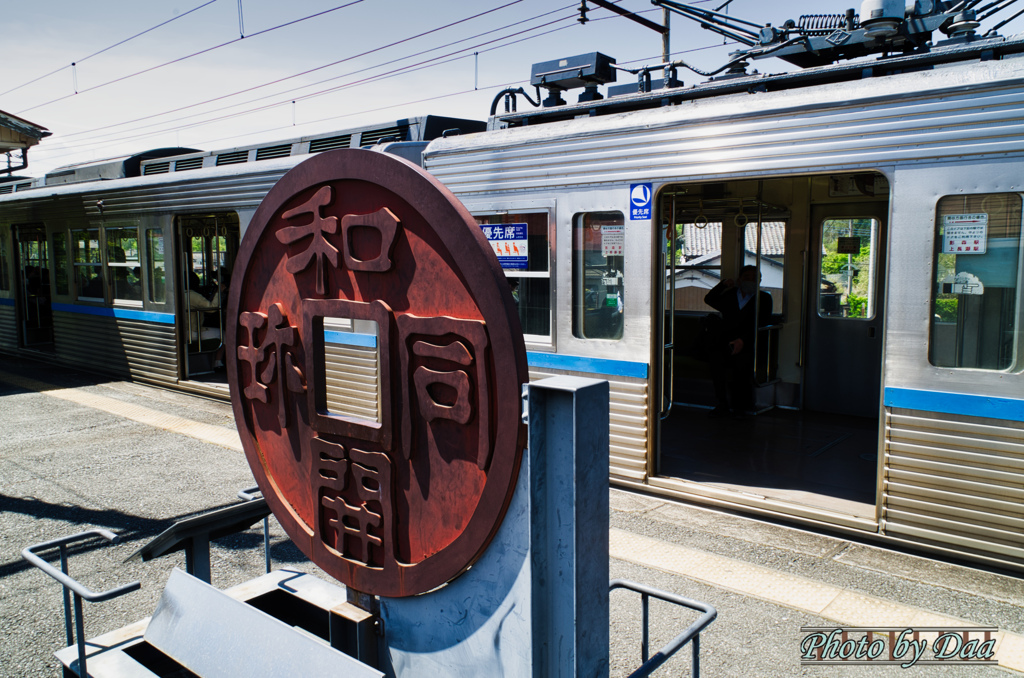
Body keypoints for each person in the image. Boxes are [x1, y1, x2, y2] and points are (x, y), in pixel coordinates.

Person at [703, 265, 773, 417]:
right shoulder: (730, 295)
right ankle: (722, 404)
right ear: (740, 280)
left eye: (755, 278)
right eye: (747, 277)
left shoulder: (765, 298)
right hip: (725, 342)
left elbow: (763, 322)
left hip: (749, 343)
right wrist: (723, 285)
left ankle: (740, 407)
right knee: (716, 363)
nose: (751, 281)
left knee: (742, 367)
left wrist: (743, 339)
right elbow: (709, 299)